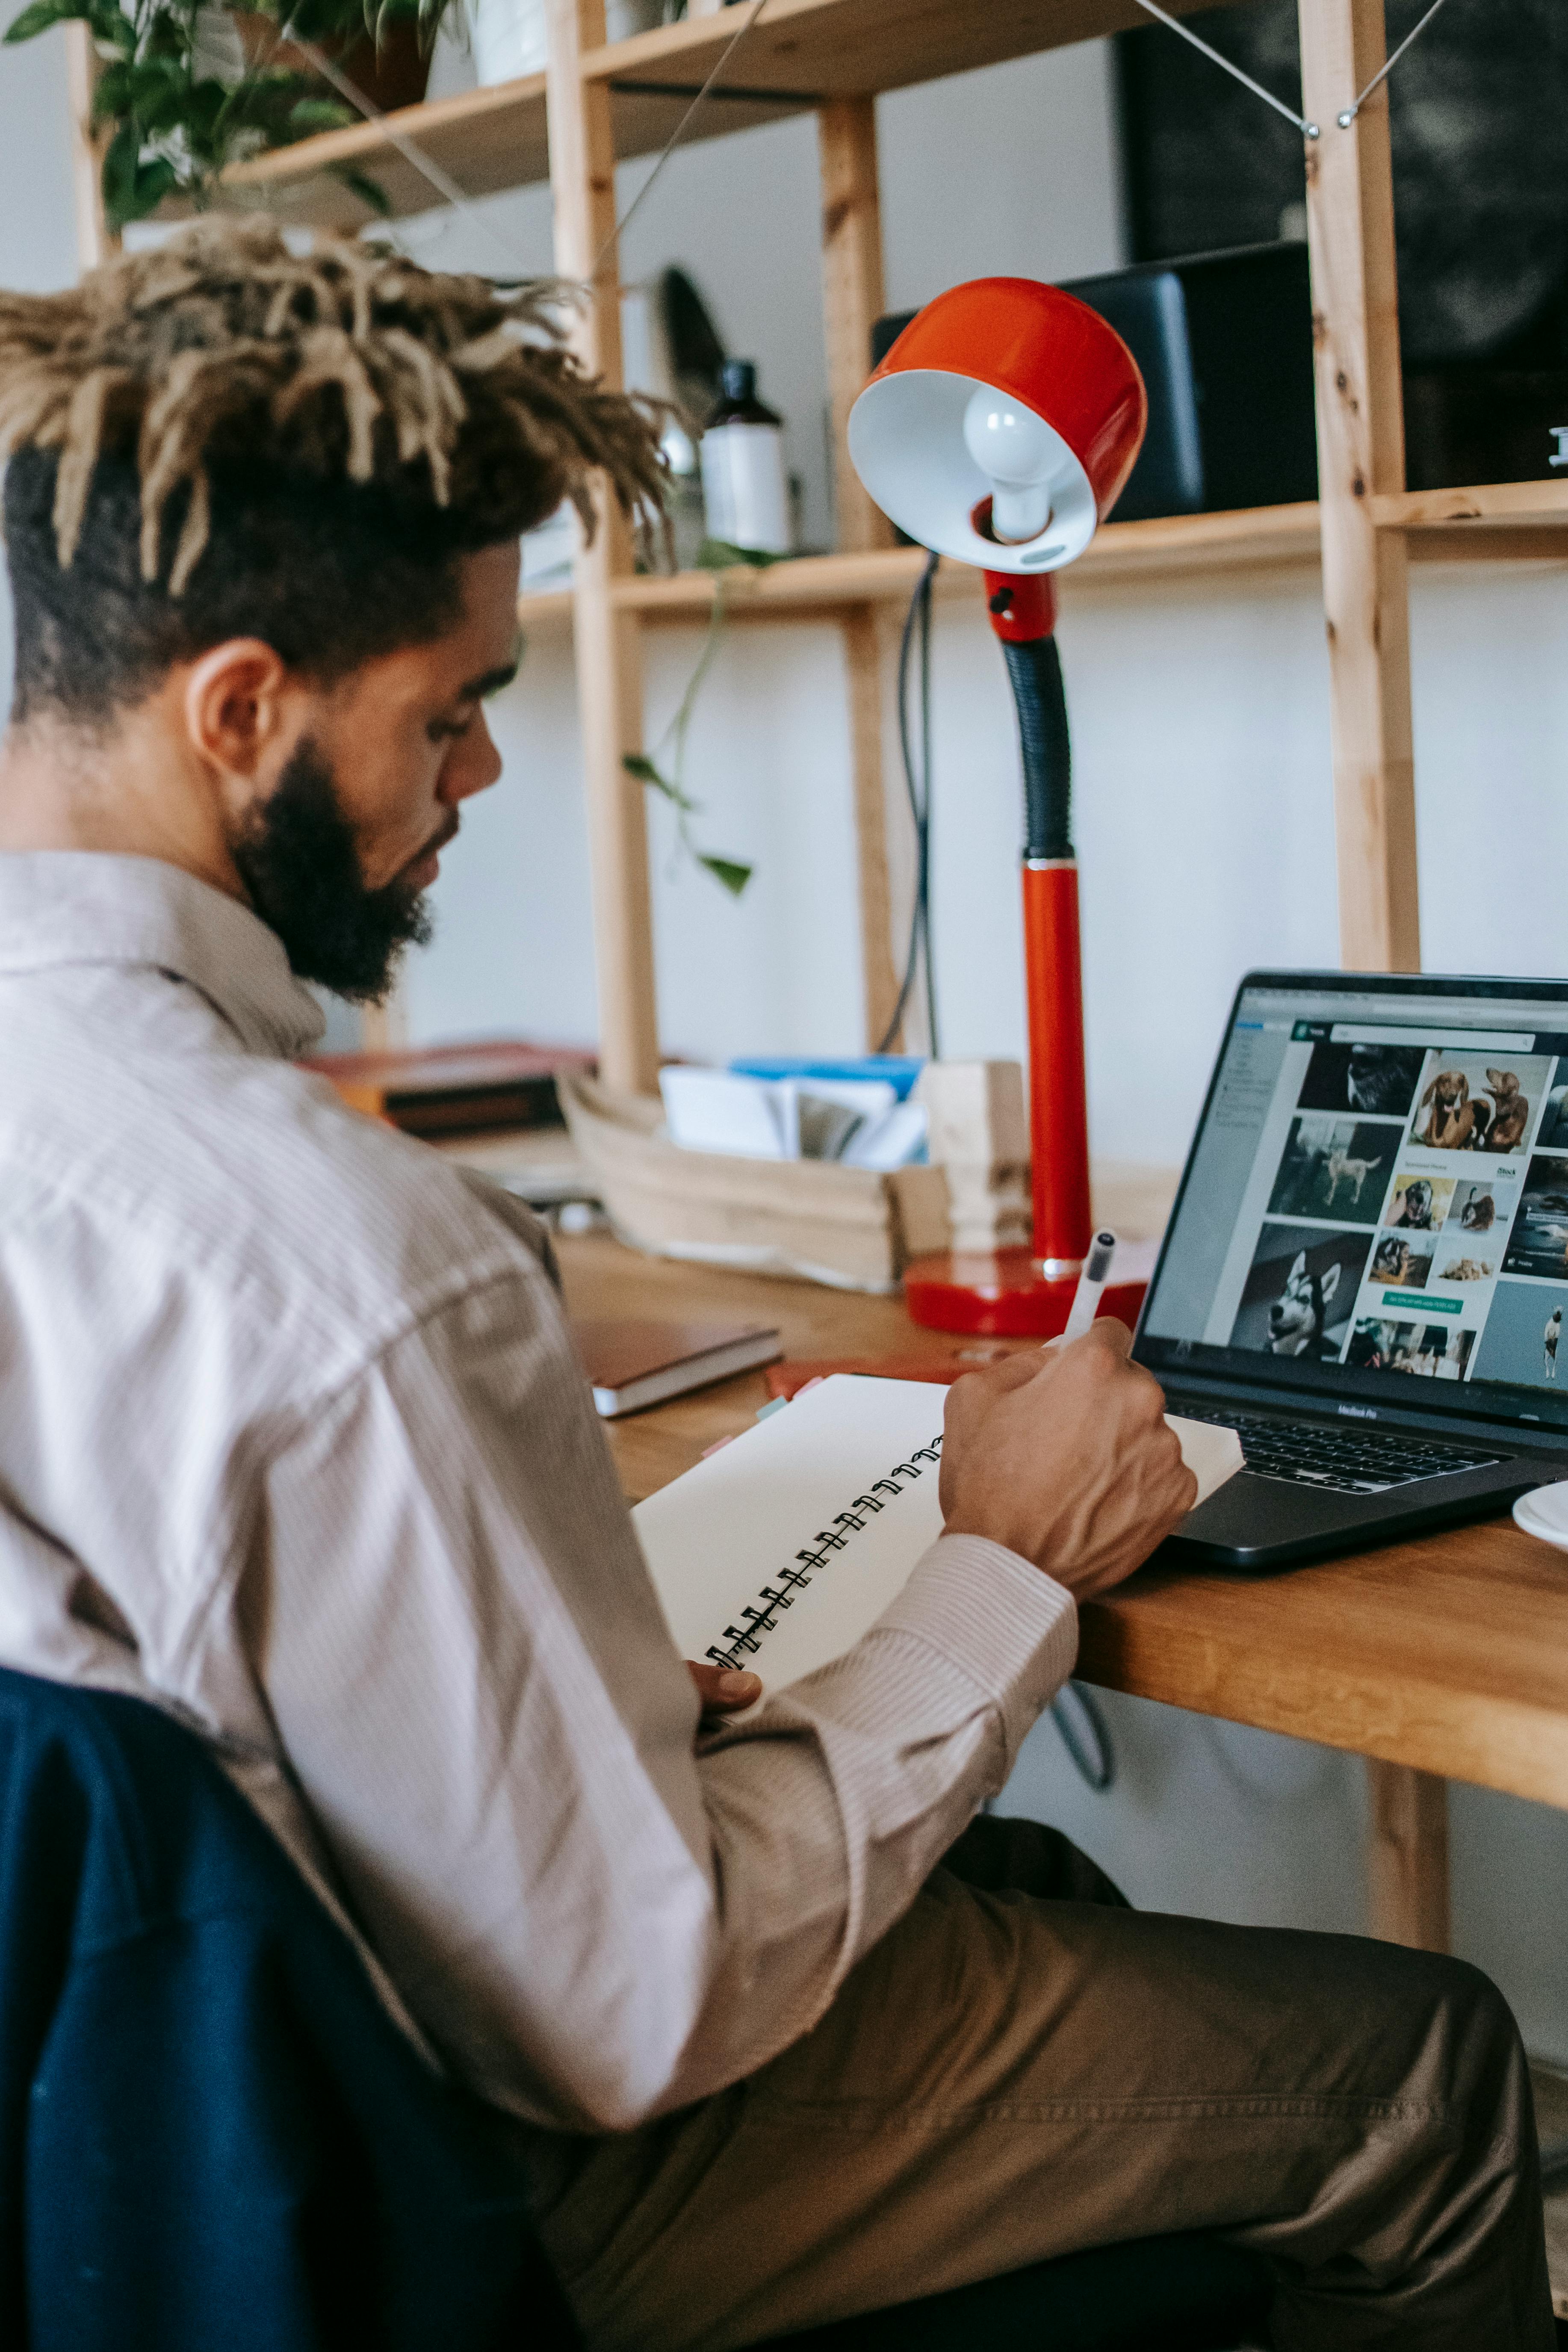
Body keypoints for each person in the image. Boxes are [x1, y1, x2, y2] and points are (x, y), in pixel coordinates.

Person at [0, 222, 1552, 2351]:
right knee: (1431, 2067)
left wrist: (577, 1693)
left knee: (1038, 1900)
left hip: (123, 2133)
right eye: (451, 712)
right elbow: (631, 2003)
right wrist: (994, 1561)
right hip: (455, 2167)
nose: (482, 780)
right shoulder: (352, 1275)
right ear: (240, 709)